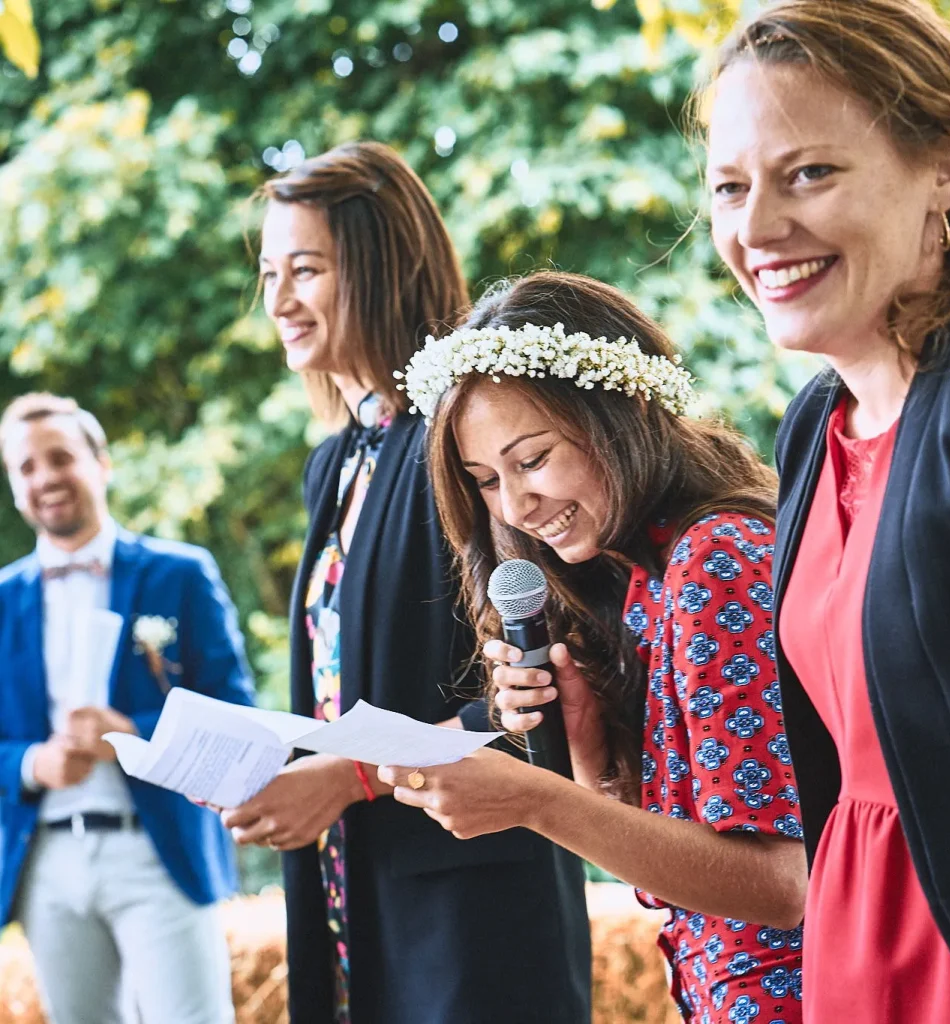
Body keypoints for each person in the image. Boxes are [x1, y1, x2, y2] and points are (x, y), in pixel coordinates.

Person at [697, 1, 950, 1020]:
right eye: (729, 188)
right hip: (853, 957)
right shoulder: (813, 425)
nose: (754, 231)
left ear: (942, 167)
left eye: (808, 174)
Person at [222, 142, 591, 1024]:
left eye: (305, 269)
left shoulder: (467, 449)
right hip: (357, 893)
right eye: (269, 273)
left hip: (471, 912)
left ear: (384, 268)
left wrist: (349, 777)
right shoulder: (336, 463)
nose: (277, 300)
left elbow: (539, 696)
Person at [379, 271, 807, 1024]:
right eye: (485, 481)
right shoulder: (645, 579)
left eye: (533, 459)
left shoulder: (716, 559)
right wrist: (585, 755)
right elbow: (688, 857)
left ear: (623, 412)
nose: (514, 507)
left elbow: (778, 887)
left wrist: (534, 800)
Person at [0, 393, 253, 1024]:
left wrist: (128, 732)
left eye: (60, 457)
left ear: (101, 463)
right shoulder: (2, 600)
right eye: (25, 467)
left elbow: (238, 712)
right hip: (46, 859)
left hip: (158, 844)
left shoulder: (181, 574)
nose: (45, 477)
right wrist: (34, 764)